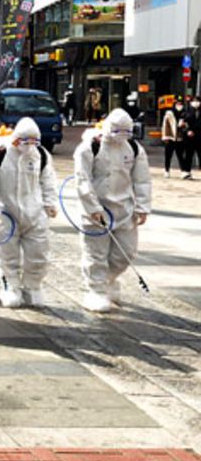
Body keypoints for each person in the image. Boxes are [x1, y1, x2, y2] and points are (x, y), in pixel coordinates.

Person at [73, 109, 151, 312]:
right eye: (118, 132)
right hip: (96, 212)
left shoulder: (134, 149)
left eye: (127, 132)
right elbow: (82, 180)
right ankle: (96, 291)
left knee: (125, 252)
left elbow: (142, 180)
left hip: (125, 209)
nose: (122, 136)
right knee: (95, 254)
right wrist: (92, 207)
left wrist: (143, 207)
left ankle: (108, 280)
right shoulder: (89, 148)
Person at [0, 118, 58, 308]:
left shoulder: (41, 156)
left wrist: (49, 203)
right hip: (7, 213)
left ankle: (33, 286)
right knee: (7, 254)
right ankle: (11, 286)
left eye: (33, 141)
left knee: (38, 253)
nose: (29, 145)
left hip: (35, 213)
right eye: (25, 141)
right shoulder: (1, 155)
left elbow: (48, 181)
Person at [162, 100, 185, 178]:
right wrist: (165, 137)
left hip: (179, 138)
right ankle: (166, 170)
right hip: (170, 137)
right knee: (168, 155)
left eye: (181, 104)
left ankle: (183, 171)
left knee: (181, 155)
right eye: (178, 104)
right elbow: (165, 126)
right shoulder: (169, 114)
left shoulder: (184, 113)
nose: (179, 106)